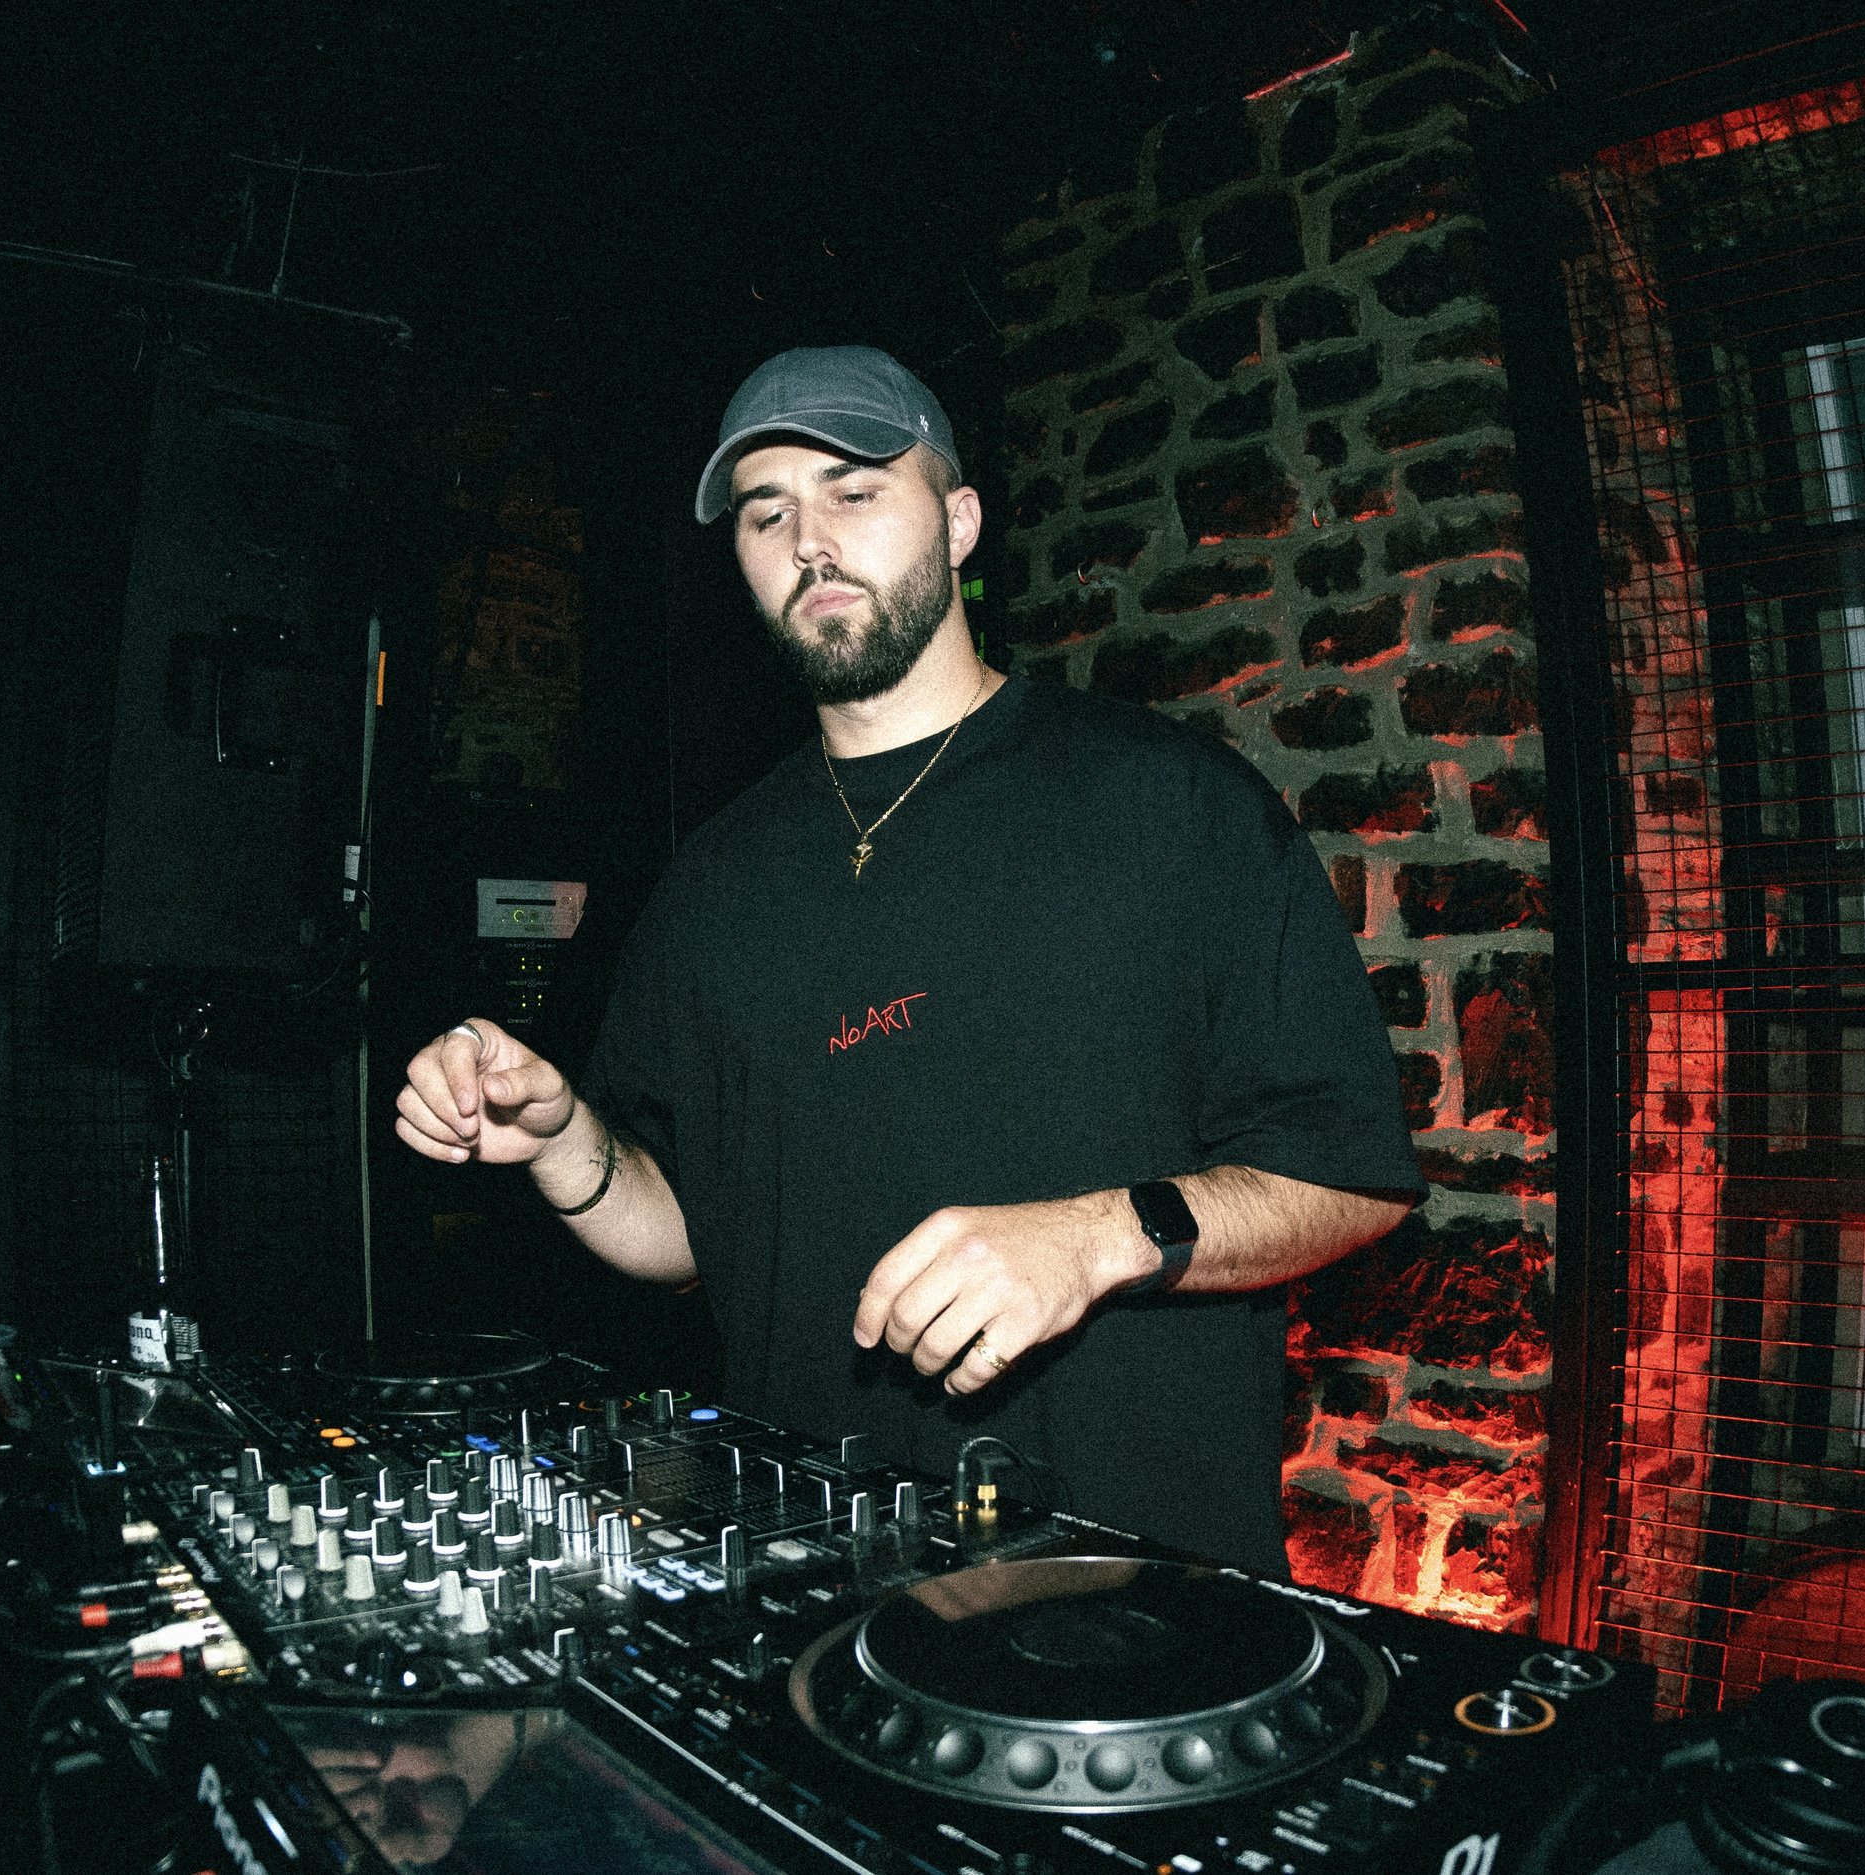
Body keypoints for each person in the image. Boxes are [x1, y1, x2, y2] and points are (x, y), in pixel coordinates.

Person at [398, 346, 1421, 1569]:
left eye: (854, 491)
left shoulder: (1169, 804)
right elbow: (690, 1239)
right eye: (767, 512)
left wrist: (1098, 1237)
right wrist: (564, 1142)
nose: (808, 540)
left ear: (960, 520)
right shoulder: (711, 881)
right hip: (802, 1577)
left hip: (1131, 1592)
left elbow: (1351, 1178)